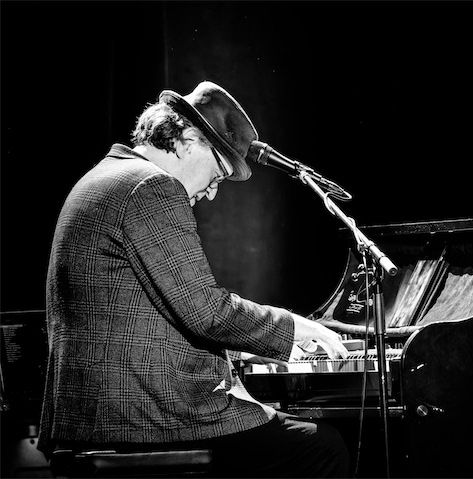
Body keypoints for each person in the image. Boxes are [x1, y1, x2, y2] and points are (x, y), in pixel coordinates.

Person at [38, 81, 350, 477]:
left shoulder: (106, 176)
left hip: (95, 414)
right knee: (321, 447)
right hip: (141, 418)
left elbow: (149, 314)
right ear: (188, 140)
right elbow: (206, 311)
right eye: (218, 173)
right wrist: (294, 328)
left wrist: (242, 352)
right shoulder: (150, 185)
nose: (212, 193)